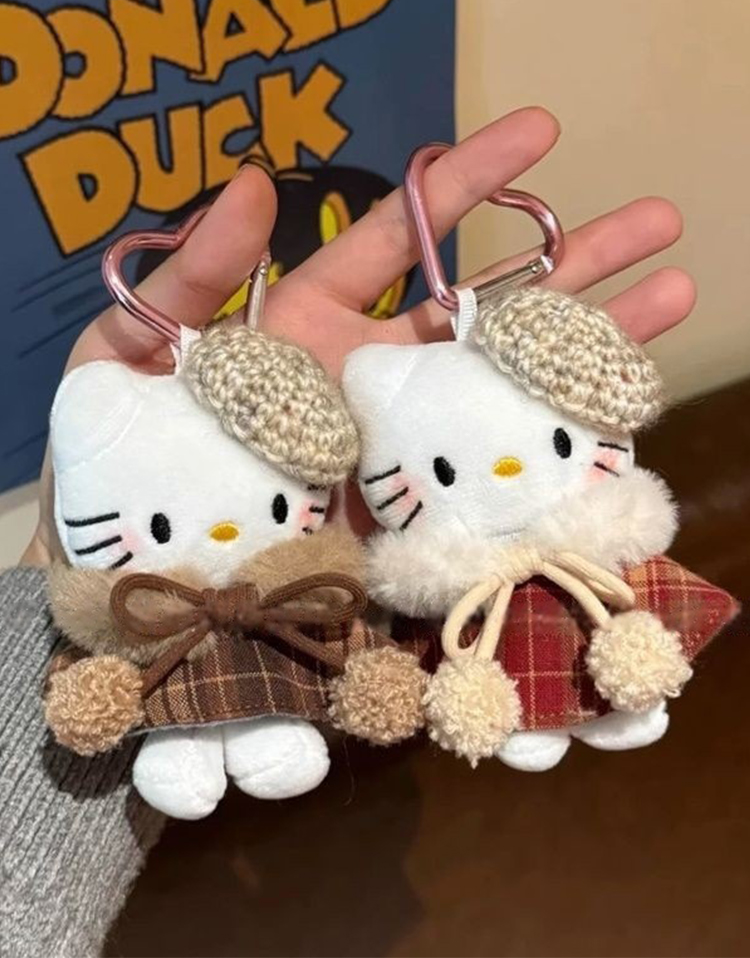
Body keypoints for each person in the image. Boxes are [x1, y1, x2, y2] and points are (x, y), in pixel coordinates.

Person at [0, 108, 695, 957]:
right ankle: (204, 743)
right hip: (193, 645)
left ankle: (605, 690)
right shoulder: (231, 585)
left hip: (503, 591)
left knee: (587, 638)